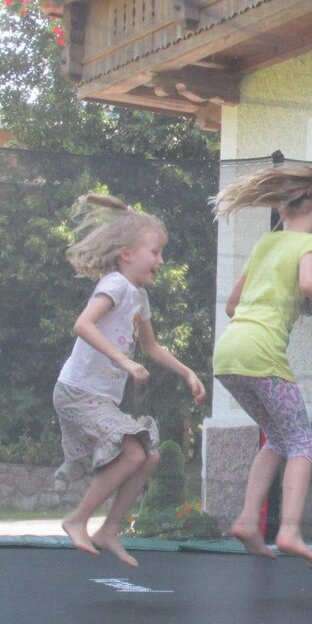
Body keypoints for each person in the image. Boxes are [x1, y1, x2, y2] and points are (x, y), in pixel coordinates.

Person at [212, 165, 312, 569]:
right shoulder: (308, 244)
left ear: (284, 208)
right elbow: (310, 284)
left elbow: (231, 305)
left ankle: (247, 520)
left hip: (228, 355)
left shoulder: (266, 242)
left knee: (277, 439)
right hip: (262, 354)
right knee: (301, 442)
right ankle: (290, 531)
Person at [54, 193, 206, 567]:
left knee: (149, 456)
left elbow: (151, 347)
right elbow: (83, 324)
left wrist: (187, 372)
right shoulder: (116, 285)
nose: (161, 260)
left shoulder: (138, 297)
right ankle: (77, 519)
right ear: (126, 253)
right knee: (134, 453)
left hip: (98, 397)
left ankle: (110, 530)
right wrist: (123, 360)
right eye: (154, 252)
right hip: (77, 391)